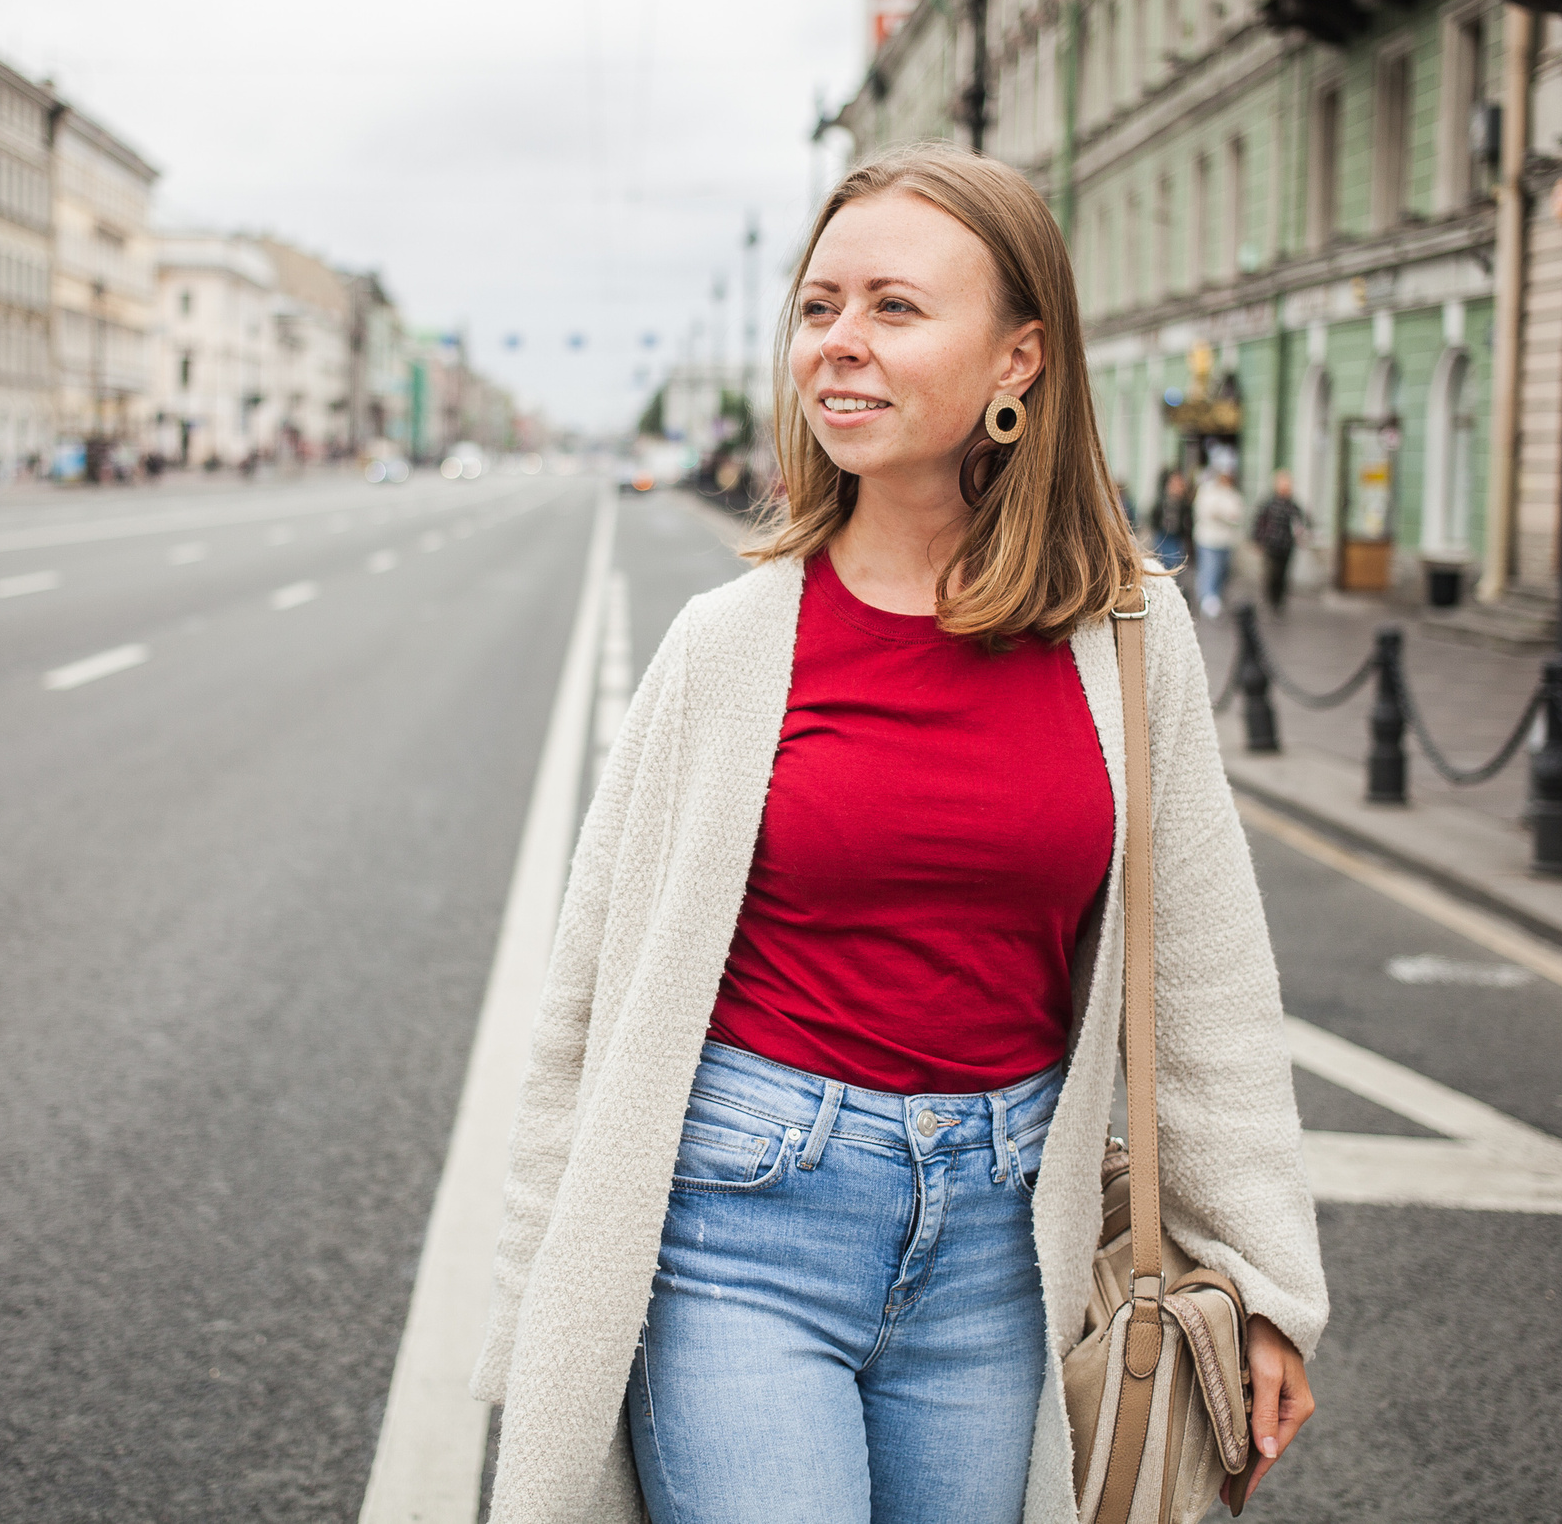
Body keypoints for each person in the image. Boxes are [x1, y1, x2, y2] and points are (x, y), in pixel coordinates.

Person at [477, 142, 1324, 1524]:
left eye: (894, 307)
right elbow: (586, 1003)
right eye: (818, 307)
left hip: (1004, 1239)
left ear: (1020, 360)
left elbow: (1209, 987)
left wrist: (1262, 1279)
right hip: (742, 1221)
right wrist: (540, 1307)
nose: (839, 346)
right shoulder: (732, 642)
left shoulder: (1128, 632)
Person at [1252, 470, 1309, 615]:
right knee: (1272, 573)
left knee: (1283, 575)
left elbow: (1303, 521)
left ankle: (1278, 602)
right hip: (1271, 544)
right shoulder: (1270, 503)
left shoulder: (1292, 505)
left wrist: (1302, 533)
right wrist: (1258, 540)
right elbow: (1259, 521)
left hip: (1286, 545)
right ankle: (1270, 599)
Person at [1193, 460, 1245, 620]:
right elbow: (1205, 512)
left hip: (1226, 540)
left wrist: (1223, 515)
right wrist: (1223, 514)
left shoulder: (1232, 494)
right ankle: (1208, 599)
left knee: (1222, 571)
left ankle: (1215, 597)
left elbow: (1236, 515)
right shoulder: (1207, 491)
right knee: (1210, 568)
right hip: (1208, 539)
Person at [1147, 466, 1193, 573]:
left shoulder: (1184, 503)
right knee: (1161, 563)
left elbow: (1187, 520)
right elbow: (1155, 515)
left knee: (1175, 564)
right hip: (1163, 535)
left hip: (1177, 538)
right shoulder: (1163, 500)